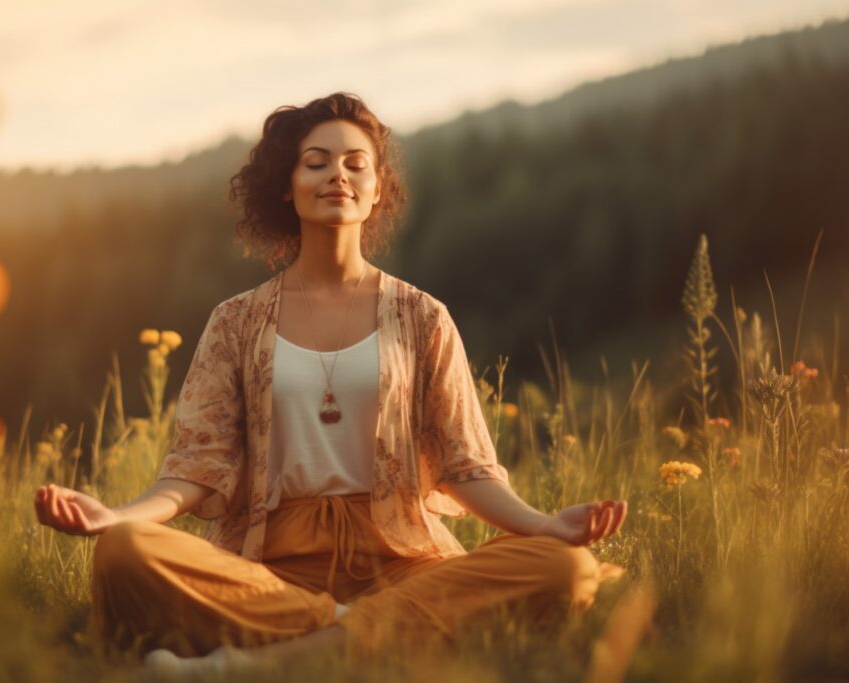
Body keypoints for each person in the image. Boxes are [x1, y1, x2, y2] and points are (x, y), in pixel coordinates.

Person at [33, 91, 628, 680]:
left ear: (376, 191)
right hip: (268, 568)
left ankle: (245, 668)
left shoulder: (423, 317)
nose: (336, 176)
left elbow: (465, 468)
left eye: (355, 164)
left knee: (565, 567)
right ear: (286, 186)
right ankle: (369, 632)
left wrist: (546, 526)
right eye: (315, 162)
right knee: (125, 552)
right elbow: (196, 466)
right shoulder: (236, 321)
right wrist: (117, 517)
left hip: (402, 562)